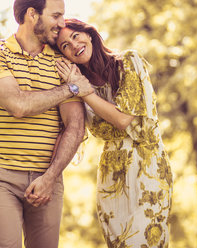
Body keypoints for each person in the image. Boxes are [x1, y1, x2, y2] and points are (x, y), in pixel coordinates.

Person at [0, 0, 93, 248]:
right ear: (32, 14)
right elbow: (18, 105)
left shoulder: (62, 62)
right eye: (56, 16)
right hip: (1, 175)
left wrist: (51, 177)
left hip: (48, 178)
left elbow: (75, 127)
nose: (62, 24)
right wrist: (71, 87)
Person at [55, 18, 173, 248]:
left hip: (147, 169)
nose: (74, 45)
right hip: (112, 176)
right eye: (65, 46)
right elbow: (73, 130)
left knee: (143, 242)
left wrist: (83, 90)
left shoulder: (128, 62)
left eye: (75, 36)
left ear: (88, 34)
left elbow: (122, 119)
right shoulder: (76, 85)